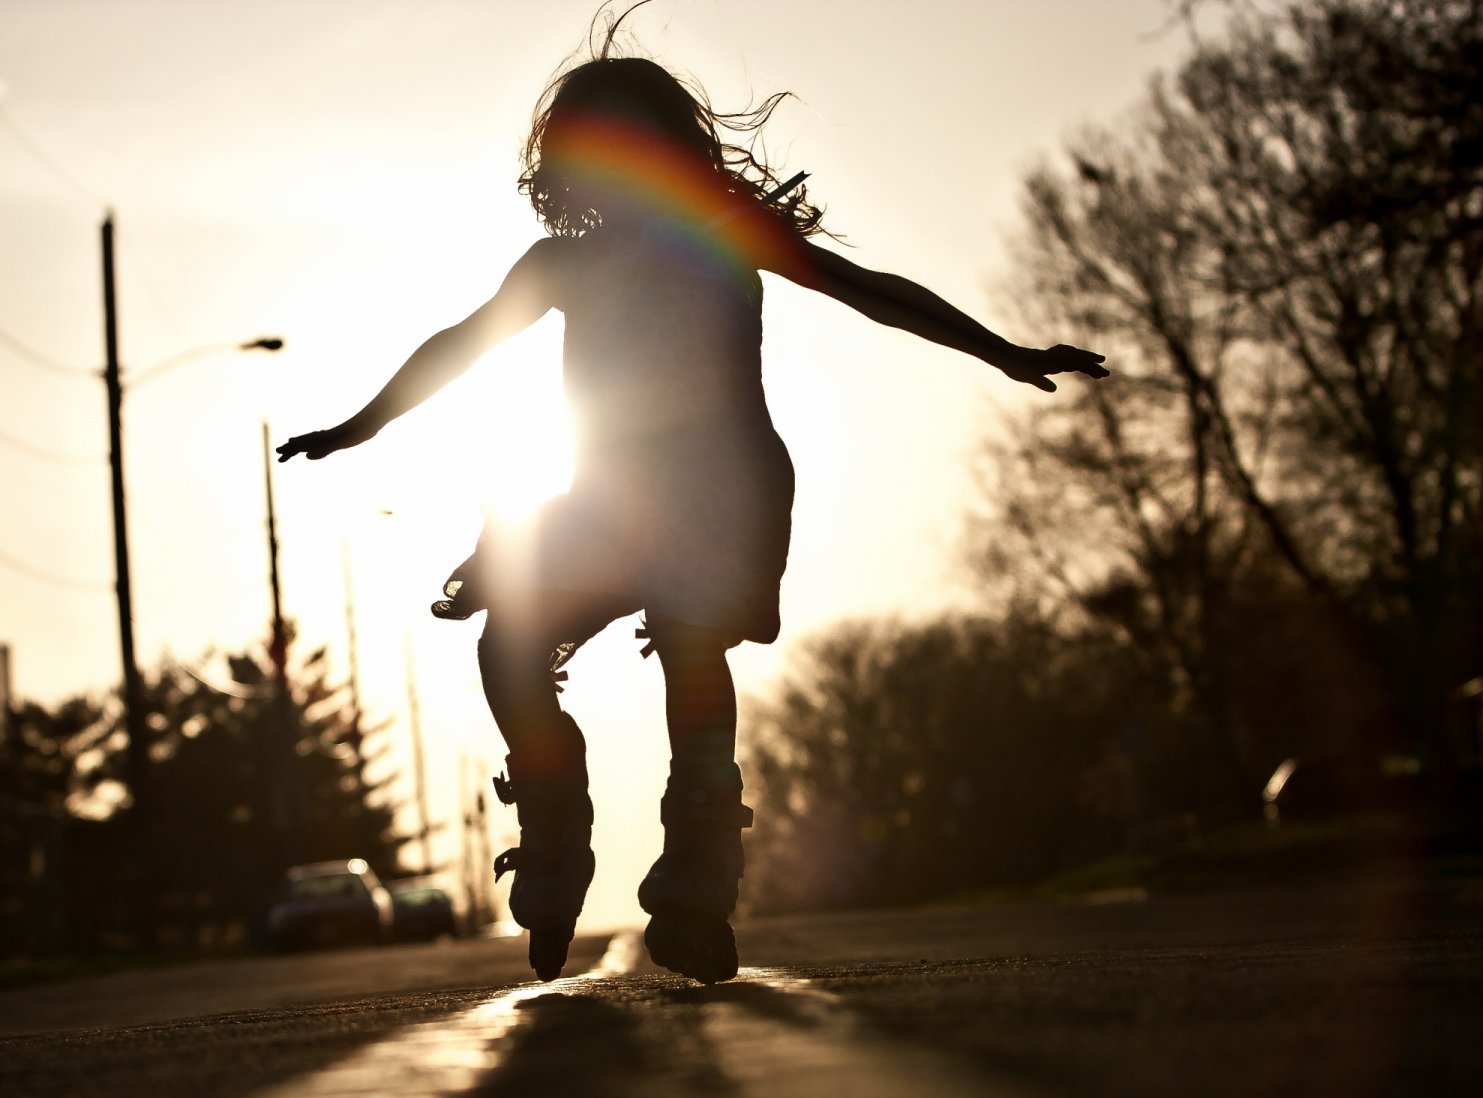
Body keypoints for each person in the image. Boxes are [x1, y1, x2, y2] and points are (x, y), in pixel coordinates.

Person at [277, 41, 1107, 985]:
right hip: (609, 499)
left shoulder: (727, 232)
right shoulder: (559, 265)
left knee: (688, 636)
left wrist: (1002, 350)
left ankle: (701, 866)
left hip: (721, 486)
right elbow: (458, 348)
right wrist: (359, 425)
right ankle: (556, 825)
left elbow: (873, 294)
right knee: (508, 643)